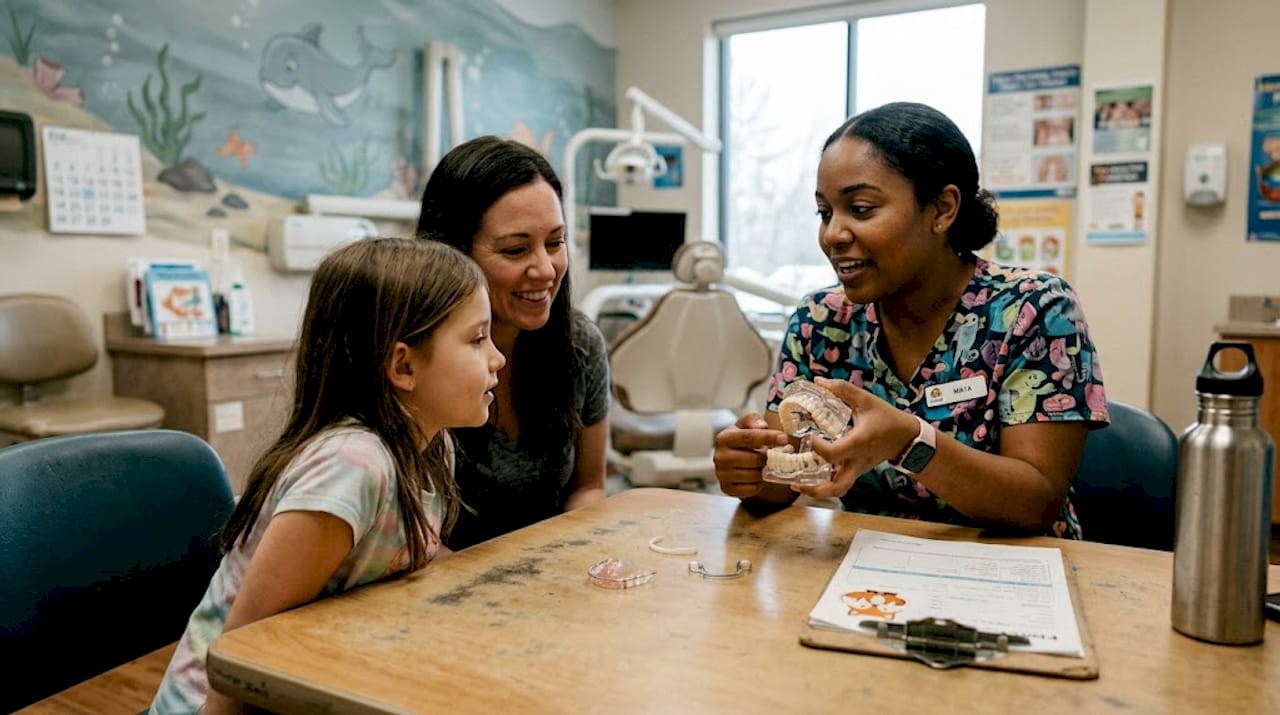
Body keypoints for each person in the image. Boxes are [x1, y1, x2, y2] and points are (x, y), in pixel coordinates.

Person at [713, 102, 1109, 538]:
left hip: (1013, 573)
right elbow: (784, 482)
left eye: (861, 208)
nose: (833, 235)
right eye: (825, 213)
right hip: (869, 573)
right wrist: (750, 472)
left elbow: (1035, 503)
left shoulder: (1033, 311)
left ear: (942, 209)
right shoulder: (819, 321)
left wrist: (909, 442)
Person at [149, 238, 505, 713]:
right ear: (403, 365)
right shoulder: (351, 467)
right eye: (477, 339)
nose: (497, 358)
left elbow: (406, 552)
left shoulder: (431, 445)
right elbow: (243, 655)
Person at [415, 136, 610, 549]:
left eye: (555, 243)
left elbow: (588, 488)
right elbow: (409, 542)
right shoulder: (415, 361)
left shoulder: (580, 347)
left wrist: (574, 560)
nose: (544, 269)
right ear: (452, 251)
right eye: (516, 249)